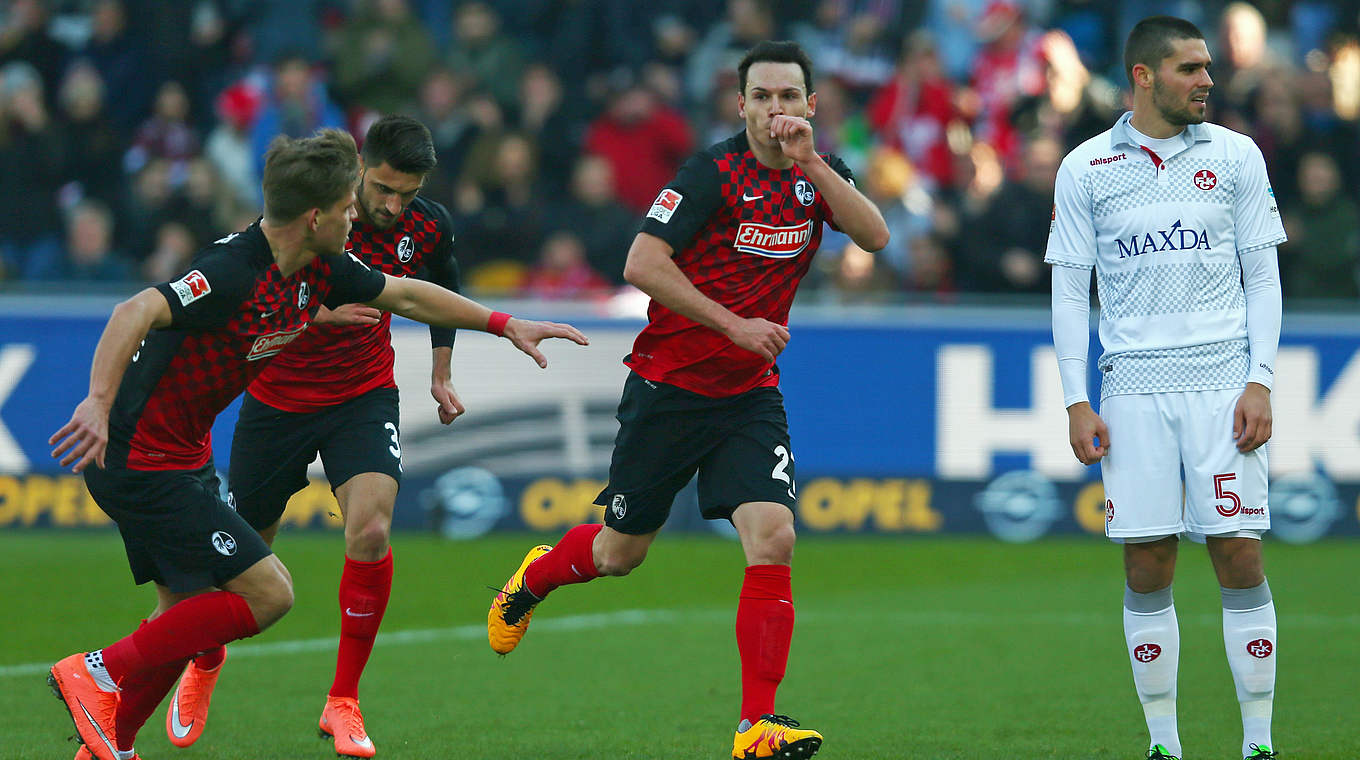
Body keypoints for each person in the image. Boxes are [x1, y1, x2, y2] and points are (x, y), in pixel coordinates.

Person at [46, 128, 587, 760]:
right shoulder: (231, 270)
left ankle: (107, 744)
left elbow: (408, 292)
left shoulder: (319, 267)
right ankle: (97, 671)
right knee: (268, 592)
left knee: (188, 615)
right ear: (315, 216)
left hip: (183, 455)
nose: (357, 214)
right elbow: (133, 311)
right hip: (140, 459)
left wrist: (506, 323)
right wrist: (98, 403)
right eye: (347, 207)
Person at [486, 40, 888, 760]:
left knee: (775, 536)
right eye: (761, 97)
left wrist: (816, 164)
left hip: (748, 397)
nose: (775, 111)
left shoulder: (813, 178)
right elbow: (642, 261)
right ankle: (535, 576)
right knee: (618, 554)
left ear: (810, 106)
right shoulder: (709, 174)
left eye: (788, 97)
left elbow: (874, 236)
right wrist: (734, 325)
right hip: (668, 390)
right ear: (740, 106)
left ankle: (754, 728)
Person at [155, 115, 460, 759]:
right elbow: (257, 289)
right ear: (357, 171)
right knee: (244, 562)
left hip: (362, 394)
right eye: (380, 188)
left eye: (406, 193)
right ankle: (205, 659)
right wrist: (320, 314)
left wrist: (440, 366)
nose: (391, 205)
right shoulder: (315, 216)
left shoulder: (426, 223)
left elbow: (440, 280)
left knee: (372, 529)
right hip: (278, 399)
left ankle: (343, 699)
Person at [1045, 17, 1285, 760]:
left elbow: (1263, 276)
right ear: (1144, 76)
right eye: (1189, 69)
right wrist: (1075, 399)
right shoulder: (1085, 168)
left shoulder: (1237, 155)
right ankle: (1164, 745)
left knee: (1238, 553)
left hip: (1222, 383)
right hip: (1134, 389)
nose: (1206, 80)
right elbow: (1067, 291)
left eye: (1207, 67)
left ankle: (1257, 743)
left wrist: (1260, 379)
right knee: (1147, 559)